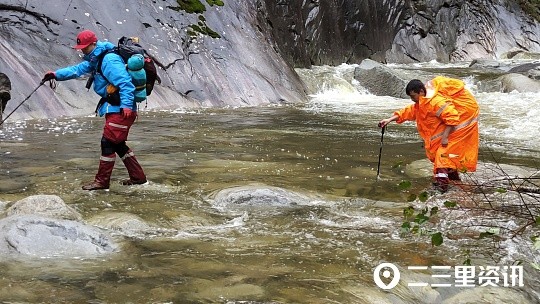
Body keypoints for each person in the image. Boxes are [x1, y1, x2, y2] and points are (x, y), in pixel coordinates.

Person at [42, 29, 147, 190]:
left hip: (121, 109)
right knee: (118, 145)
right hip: (114, 107)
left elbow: (126, 83)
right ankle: (138, 178)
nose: (82, 50)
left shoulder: (108, 60)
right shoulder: (96, 59)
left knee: (107, 143)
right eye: (81, 47)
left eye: (85, 47)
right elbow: (77, 70)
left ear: (93, 44)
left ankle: (102, 182)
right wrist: (55, 75)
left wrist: (126, 105)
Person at [378, 76, 479, 192]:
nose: (412, 99)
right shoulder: (422, 103)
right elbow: (408, 112)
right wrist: (389, 119)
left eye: (413, 96)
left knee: (442, 157)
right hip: (448, 132)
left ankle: (441, 187)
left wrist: (445, 138)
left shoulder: (436, 102)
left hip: (460, 130)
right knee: (444, 158)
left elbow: (452, 117)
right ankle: (454, 182)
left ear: (421, 91)